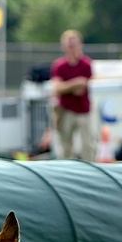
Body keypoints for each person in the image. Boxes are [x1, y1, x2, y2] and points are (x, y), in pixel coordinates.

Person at [50, 29, 96, 161]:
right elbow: (58, 87)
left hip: (82, 109)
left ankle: (91, 168)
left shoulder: (86, 64)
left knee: (87, 143)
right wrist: (75, 83)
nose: (72, 48)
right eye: (69, 45)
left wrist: (68, 86)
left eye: (74, 44)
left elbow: (82, 88)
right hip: (65, 109)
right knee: (66, 145)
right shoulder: (60, 66)